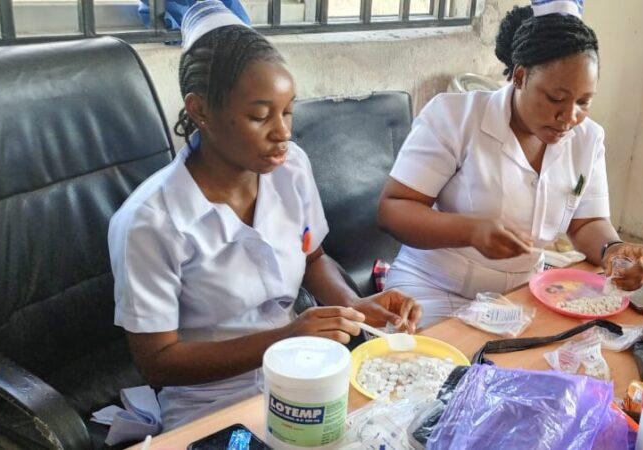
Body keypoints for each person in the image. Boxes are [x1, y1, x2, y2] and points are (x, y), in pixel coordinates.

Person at [108, 1, 420, 430]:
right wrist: (285, 337)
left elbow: (312, 258)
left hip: (303, 370)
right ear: (200, 110)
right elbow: (159, 363)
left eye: (288, 110)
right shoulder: (151, 220)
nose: (283, 133)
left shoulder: (290, 168)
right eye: (260, 116)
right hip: (210, 401)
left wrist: (356, 308)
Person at [376, 0, 643, 328]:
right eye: (556, 99)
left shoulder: (588, 139)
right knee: (443, 369)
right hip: (430, 289)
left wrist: (612, 251)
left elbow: (586, 223)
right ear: (520, 77)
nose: (570, 116)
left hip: (522, 297)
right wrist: (471, 231)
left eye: (583, 102)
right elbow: (393, 209)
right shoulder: (454, 117)